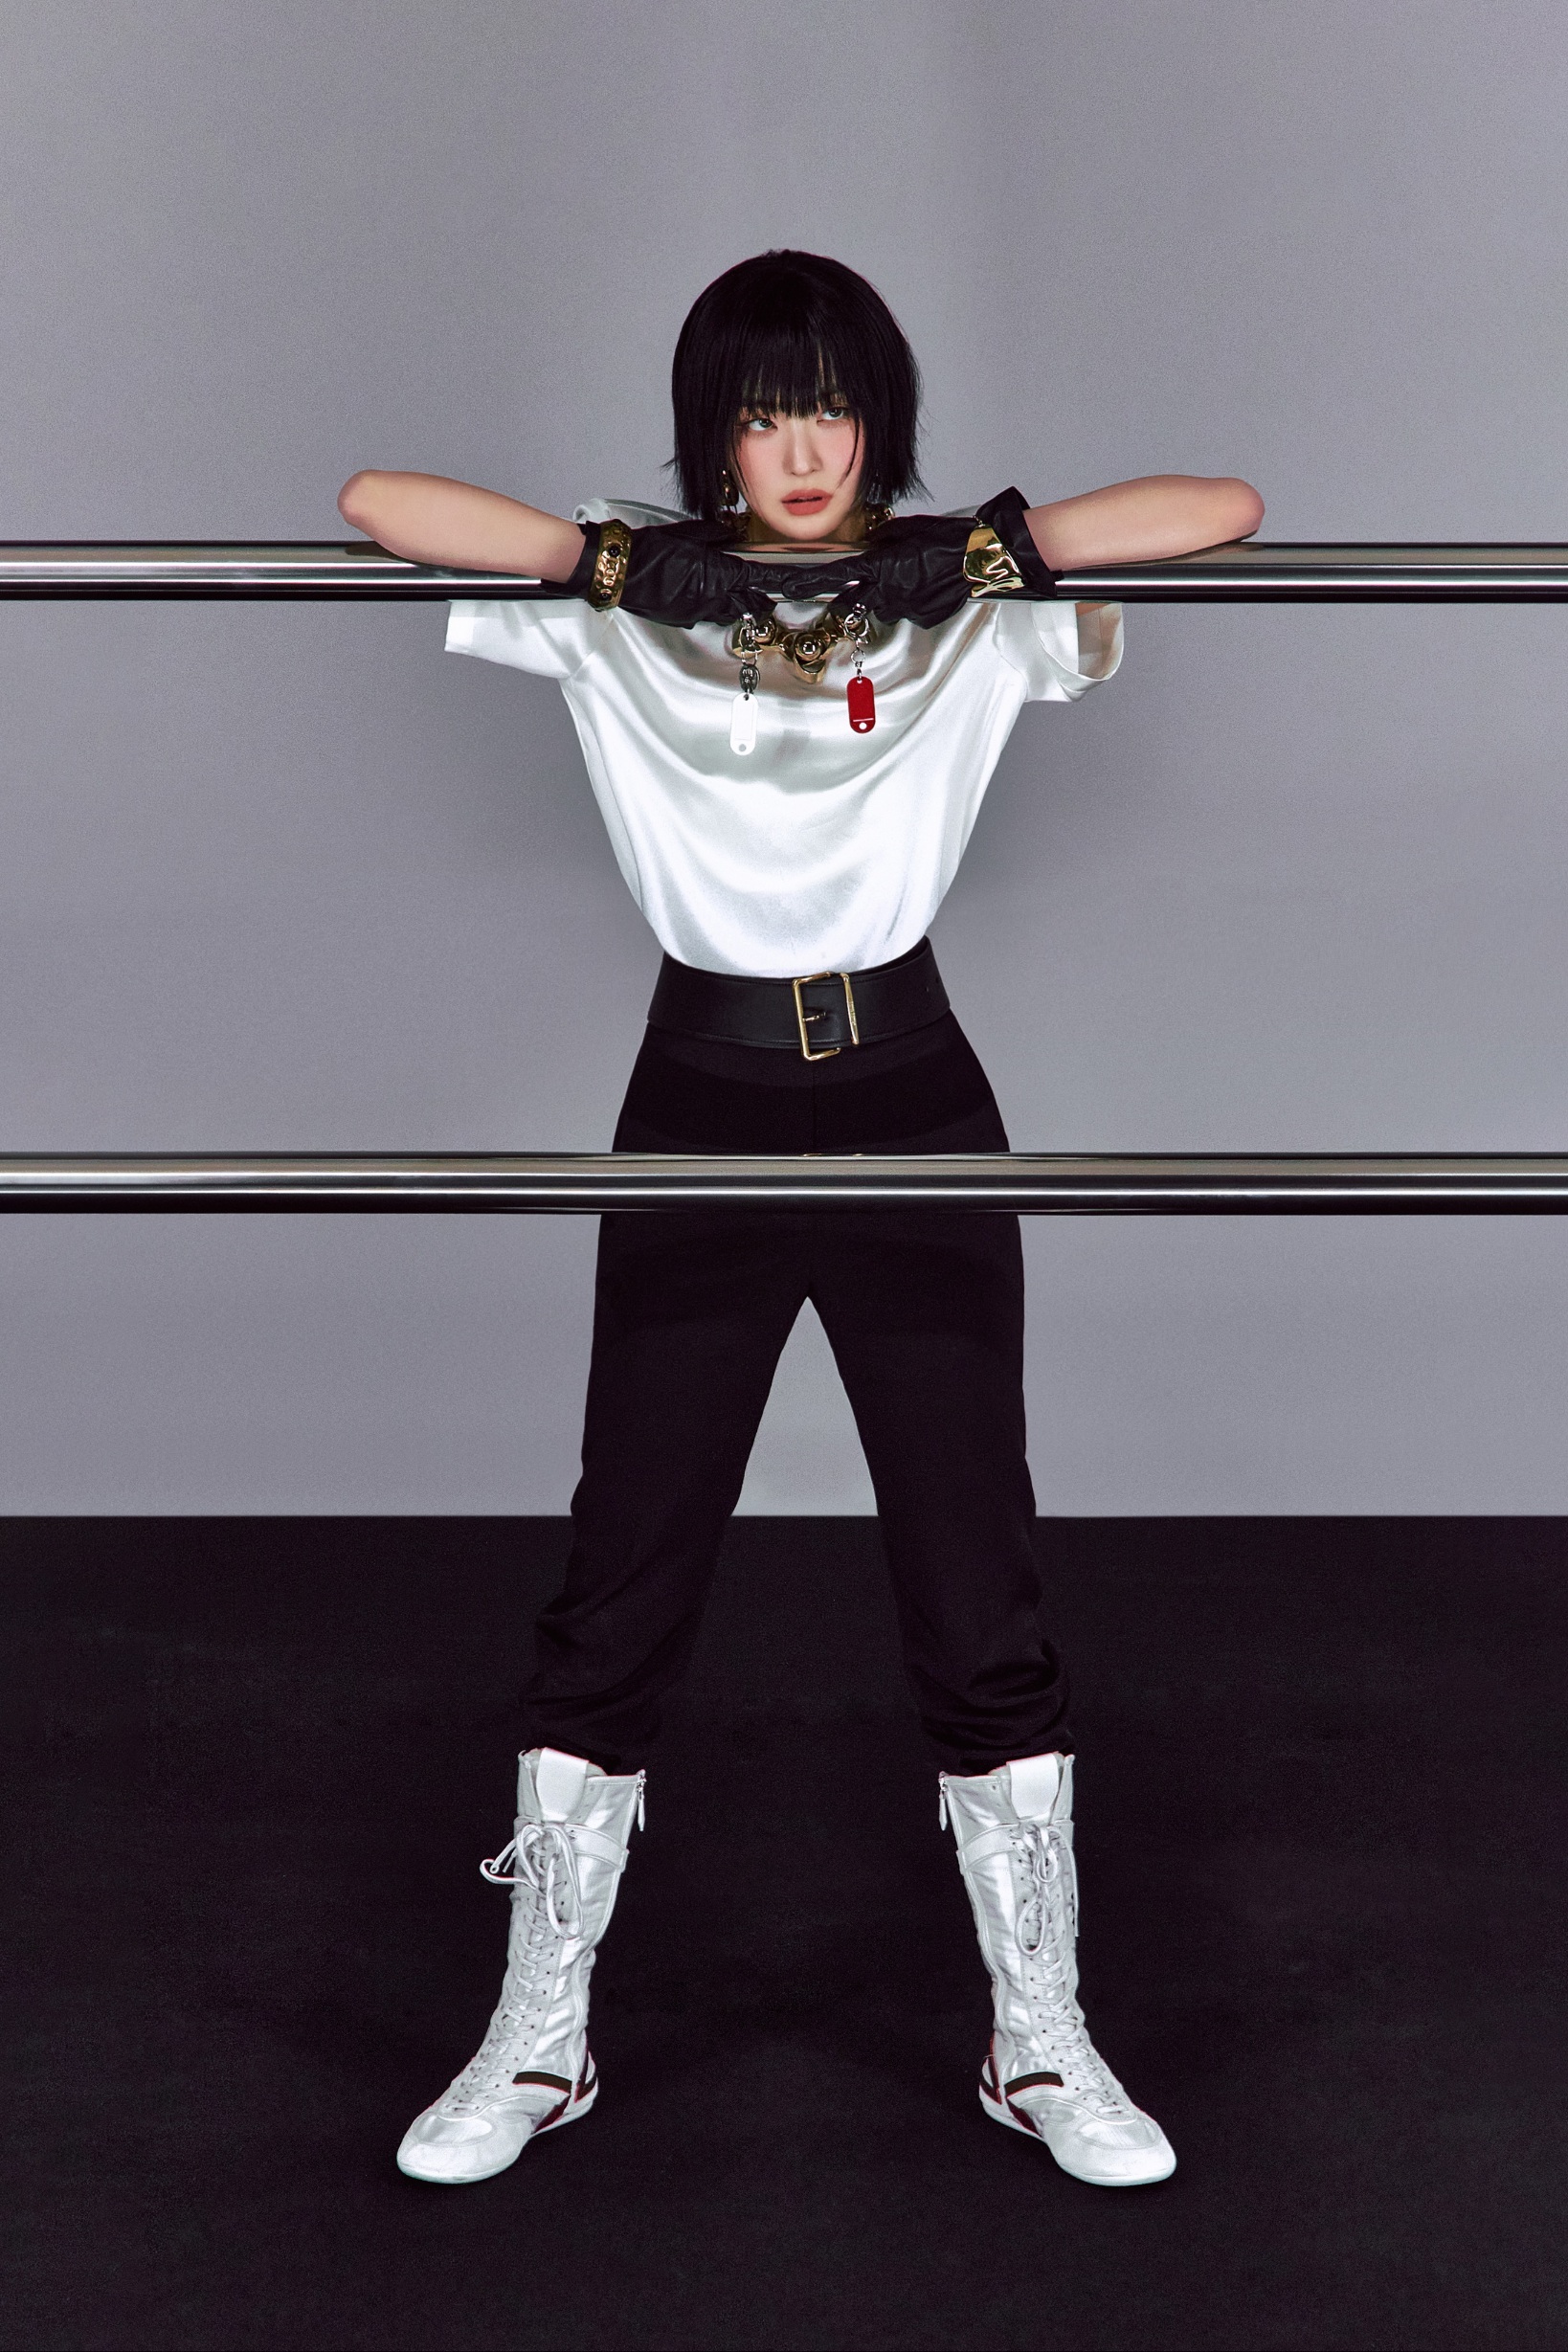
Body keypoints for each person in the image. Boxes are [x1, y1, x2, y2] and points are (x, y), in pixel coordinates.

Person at [339, 250, 1263, 2193]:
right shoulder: (627, 596)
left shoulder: (960, 603)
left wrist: (988, 549)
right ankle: (538, 2036)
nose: (804, 447)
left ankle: (1038, 2033)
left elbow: (1224, 508)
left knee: (972, 1561)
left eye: (832, 405)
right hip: (702, 1095)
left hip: (913, 1090)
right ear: (715, 434)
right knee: (626, 1555)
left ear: (879, 420)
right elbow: (375, 502)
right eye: (764, 412)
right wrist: (613, 566)